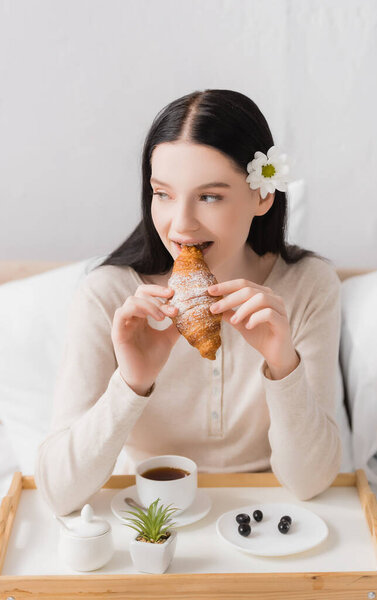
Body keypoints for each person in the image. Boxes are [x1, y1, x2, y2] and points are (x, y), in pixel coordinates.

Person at [35, 89, 342, 516]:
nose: (180, 225)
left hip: (269, 520)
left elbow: (311, 482)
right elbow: (56, 492)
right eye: (163, 194)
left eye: (210, 196)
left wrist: (282, 367)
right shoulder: (108, 296)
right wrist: (132, 383)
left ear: (262, 196)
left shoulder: (309, 286)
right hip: (148, 519)